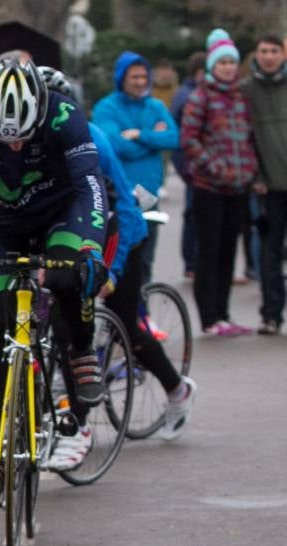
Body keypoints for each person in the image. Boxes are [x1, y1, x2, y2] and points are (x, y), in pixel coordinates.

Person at [0, 58, 110, 506]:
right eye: (3, 140)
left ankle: (81, 349)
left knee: (69, 281)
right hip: (0, 222)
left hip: (61, 215)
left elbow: (90, 187)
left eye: (22, 138)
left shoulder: (65, 116)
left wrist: (90, 249)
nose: (12, 148)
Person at [42, 66, 196, 452]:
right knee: (56, 312)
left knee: (123, 321)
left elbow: (124, 210)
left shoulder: (93, 139)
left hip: (119, 229)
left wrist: (113, 270)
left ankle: (176, 389)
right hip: (71, 230)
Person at [180, 29, 258, 336]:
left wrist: (249, 170)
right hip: (209, 187)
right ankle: (209, 318)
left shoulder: (242, 96)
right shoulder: (201, 97)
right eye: (222, 62)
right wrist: (214, 167)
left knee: (228, 252)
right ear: (212, 65)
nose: (227, 67)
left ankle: (224, 313)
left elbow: (250, 138)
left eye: (231, 62)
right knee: (208, 253)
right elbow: (189, 139)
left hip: (238, 187)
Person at [91, 51, 179, 284]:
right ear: (122, 78)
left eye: (144, 76)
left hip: (149, 194)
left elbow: (173, 138)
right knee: (124, 259)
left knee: (146, 259)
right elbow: (115, 146)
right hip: (122, 194)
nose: (141, 82)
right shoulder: (106, 108)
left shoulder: (155, 106)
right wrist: (152, 141)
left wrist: (140, 135)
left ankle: (144, 314)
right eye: (134, 77)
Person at [241, 33, 287, 335]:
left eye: (274, 50)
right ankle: (271, 315)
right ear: (256, 54)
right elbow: (243, 140)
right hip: (269, 188)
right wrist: (255, 177)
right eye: (263, 51)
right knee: (270, 254)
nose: (269, 56)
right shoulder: (245, 91)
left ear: (283, 54)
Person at [171, 51, 206, 280]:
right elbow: (178, 136)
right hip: (193, 166)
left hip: (193, 165)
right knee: (193, 216)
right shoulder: (188, 96)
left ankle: (193, 262)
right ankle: (192, 262)